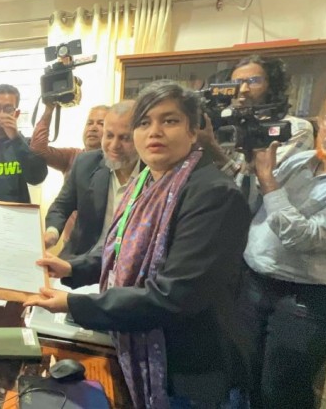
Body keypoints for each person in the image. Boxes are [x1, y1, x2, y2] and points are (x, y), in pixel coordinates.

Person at [27, 80, 252, 408]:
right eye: (144, 123)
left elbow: (174, 296)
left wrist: (74, 305)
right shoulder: (149, 181)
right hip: (140, 345)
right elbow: (120, 251)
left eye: (169, 121)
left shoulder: (213, 194)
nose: (154, 132)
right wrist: (71, 268)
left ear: (193, 131)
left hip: (188, 366)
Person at [238, 83, 326, 409]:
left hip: (306, 301)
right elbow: (256, 204)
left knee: (281, 393)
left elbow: (305, 237)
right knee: (245, 380)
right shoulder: (300, 161)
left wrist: (267, 179)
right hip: (253, 285)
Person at [43, 101, 140, 259]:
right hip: (78, 259)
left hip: (127, 264)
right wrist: (52, 233)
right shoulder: (85, 163)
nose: (114, 145)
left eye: (125, 138)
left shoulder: (154, 174)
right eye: (109, 135)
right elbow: (61, 206)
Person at [31, 103, 108, 174]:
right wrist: (49, 109)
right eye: (89, 123)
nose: (93, 128)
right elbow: (38, 149)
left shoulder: (112, 162)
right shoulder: (73, 156)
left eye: (101, 124)